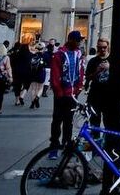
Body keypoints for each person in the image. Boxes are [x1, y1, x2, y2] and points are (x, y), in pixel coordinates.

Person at [48, 31, 84, 160]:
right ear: (70, 40)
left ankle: (66, 145)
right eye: (77, 40)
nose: (79, 42)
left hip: (73, 93)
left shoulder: (78, 54)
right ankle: (54, 146)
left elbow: (80, 70)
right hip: (62, 93)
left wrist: (79, 87)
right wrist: (59, 91)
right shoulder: (59, 54)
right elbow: (55, 74)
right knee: (57, 120)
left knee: (69, 121)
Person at [84, 38, 112, 131]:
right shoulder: (93, 61)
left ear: (108, 47)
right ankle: (95, 142)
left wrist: (109, 68)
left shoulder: (113, 60)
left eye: (104, 47)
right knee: (94, 122)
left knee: (108, 122)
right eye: (100, 47)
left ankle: (108, 143)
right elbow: (88, 77)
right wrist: (97, 71)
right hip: (95, 95)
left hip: (108, 96)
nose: (102, 50)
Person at [27, 42, 47, 109]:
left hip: (33, 73)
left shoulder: (33, 55)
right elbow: (47, 64)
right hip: (41, 73)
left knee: (33, 89)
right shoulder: (44, 56)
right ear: (43, 48)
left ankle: (32, 103)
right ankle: (37, 98)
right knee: (40, 87)